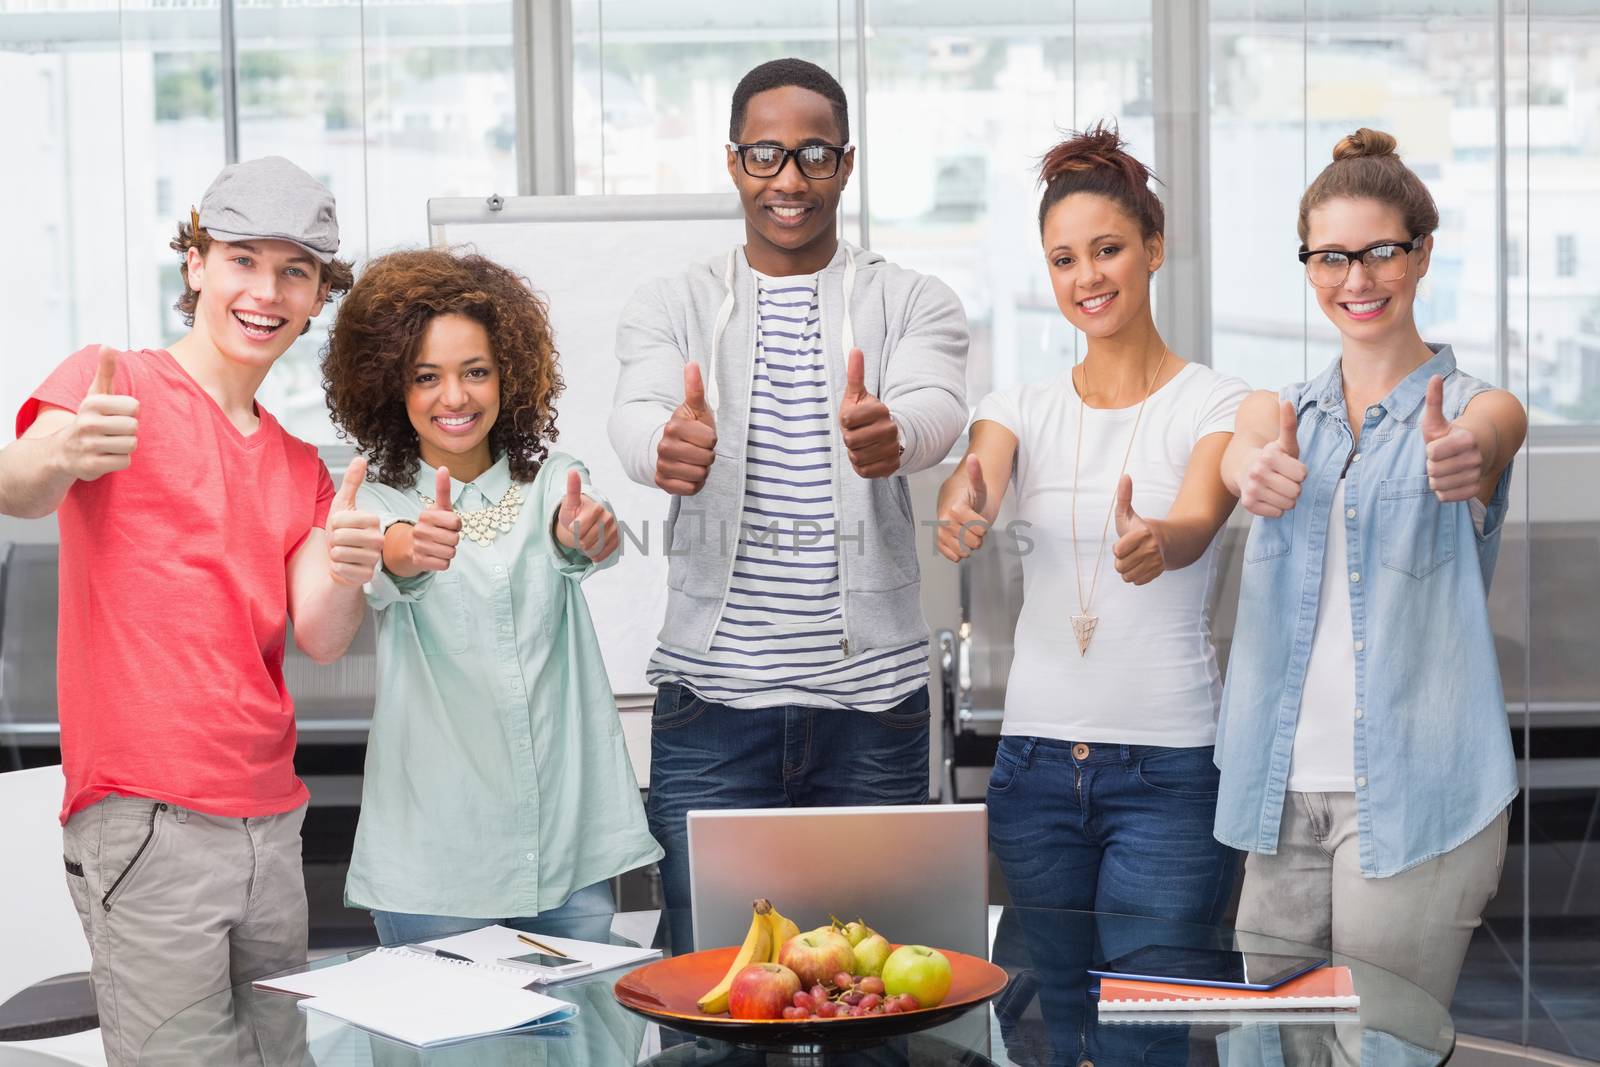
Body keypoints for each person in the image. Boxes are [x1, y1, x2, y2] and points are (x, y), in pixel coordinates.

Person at [0, 156, 378, 1066]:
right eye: (244, 259)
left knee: (283, 1058)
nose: (267, 290)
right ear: (197, 263)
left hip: (272, 821)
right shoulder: (114, 384)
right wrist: (64, 455)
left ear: (319, 294)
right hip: (149, 817)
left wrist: (353, 565)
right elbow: (17, 484)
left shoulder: (297, 465)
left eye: (296, 271)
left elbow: (321, 635)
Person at [608, 57, 969, 949]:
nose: (790, 180)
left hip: (873, 712)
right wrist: (664, 445)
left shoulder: (911, 298)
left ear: (846, 164)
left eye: (814, 154)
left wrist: (895, 433)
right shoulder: (673, 301)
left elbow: (937, 406)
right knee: (714, 984)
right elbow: (636, 409)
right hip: (714, 709)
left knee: (874, 986)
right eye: (766, 154)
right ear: (734, 162)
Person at [1215, 128, 1526, 1005]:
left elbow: (1500, 426)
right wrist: (1248, 471)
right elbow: (1240, 450)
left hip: (1418, 797)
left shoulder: (1467, 409)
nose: (1357, 279)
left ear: (1421, 254)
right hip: (1279, 802)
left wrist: (1472, 454)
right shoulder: (1282, 416)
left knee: (1382, 1048)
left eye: (1382, 252)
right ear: (1308, 264)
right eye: (1332, 257)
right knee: (1272, 1052)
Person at [936, 125, 1247, 921]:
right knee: (1053, 1027)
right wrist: (960, 508)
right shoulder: (1019, 405)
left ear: (1154, 247)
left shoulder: (1217, 400)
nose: (1087, 277)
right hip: (1033, 768)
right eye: (1064, 260)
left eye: (1106, 249)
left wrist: (1161, 542)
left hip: (1170, 767)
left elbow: (1200, 518)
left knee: (1141, 1026)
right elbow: (977, 479)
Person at [322, 248, 661, 947]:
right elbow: (392, 553)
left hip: (568, 855)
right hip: (435, 866)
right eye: (427, 377)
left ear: (510, 374)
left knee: (583, 1051)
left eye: (476, 371)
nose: (455, 397)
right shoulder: (382, 502)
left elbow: (580, 528)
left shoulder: (550, 483)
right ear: (391, 386)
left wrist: (584, 531)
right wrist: (407, 548)